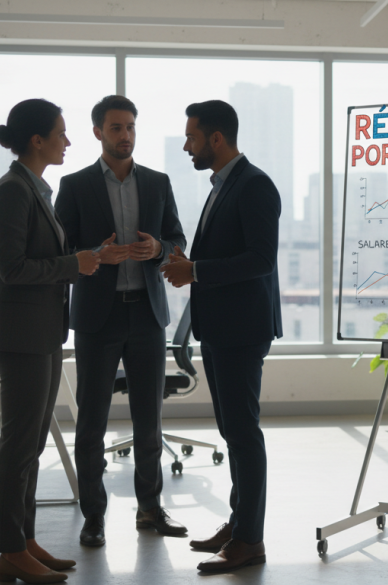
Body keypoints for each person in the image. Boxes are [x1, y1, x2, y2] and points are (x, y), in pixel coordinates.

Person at [0, 98, 102, 584]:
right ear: (37, 140)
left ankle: (23, 542)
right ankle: (10, 550)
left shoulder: (33, 188)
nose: (68, 141)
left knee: (30, 446)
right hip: (22, 337)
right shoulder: (13, 191)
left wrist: (86, 257)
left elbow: (37, 257)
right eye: (61, 133)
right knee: (19, 446)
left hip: (42, 332)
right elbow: (12, 268)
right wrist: (74, 264)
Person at [54, 95, 188, 548]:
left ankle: (150, 508)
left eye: (130, 126)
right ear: (98, 132)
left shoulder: (157, 182)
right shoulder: (74, 185)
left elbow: (176, 237)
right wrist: (96, 255)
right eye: (116, 127)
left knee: (149, 422)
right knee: (91, 422)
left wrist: (160, 250)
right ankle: (94, 515)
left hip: (147, 313)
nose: (125, 135)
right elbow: (60, 250)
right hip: (98, 315)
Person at [160, 100, 283, 573]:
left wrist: (196, 271)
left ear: (216, 138)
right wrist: (188, 265)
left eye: (191, 137)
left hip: (241, 331)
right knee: (233, 433)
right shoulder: (222, 184)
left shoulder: (254, 185)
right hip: (219, 329)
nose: (187, 146)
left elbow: (261, 260)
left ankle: (250, 540)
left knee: (243, 434)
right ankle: (238, 524)